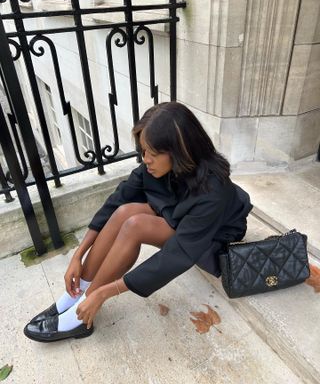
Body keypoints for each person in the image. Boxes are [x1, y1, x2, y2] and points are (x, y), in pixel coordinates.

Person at [23, 102, 252, 342]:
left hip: (213, 239)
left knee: (136, 225)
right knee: (125, 212)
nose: (146, 160)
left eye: (153, 154)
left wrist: (104, 293)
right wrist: (77, 255)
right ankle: (75, 294)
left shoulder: (213, 188)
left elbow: (179, 254)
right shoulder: (156, 168)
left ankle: (81, 313)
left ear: (179, 151)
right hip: (180, 214)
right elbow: (115, 202)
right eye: (143, 151)